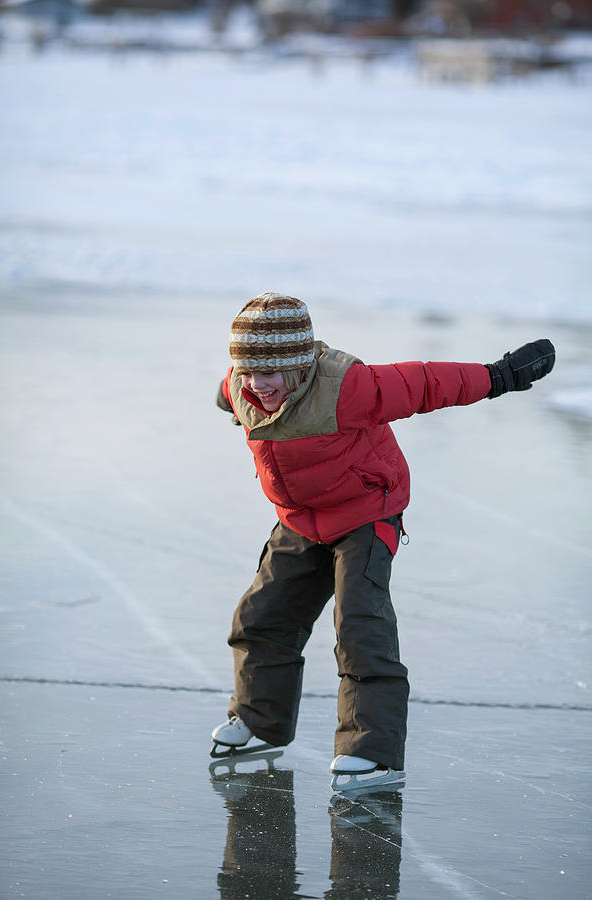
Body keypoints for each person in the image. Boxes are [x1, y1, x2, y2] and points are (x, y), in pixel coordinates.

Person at [211, 291, 555, 790]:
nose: (257, 386)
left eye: (271, 373)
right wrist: (229, 396)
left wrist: (500, 375)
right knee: (261, 615)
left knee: (360, 626)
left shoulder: (347, 387)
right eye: (247, 373)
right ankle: (261, 721)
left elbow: (425, 383)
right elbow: (230, 392)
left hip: (366, 513)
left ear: (301, 365)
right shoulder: (243, 387)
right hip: (302, 518)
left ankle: (372, 752)